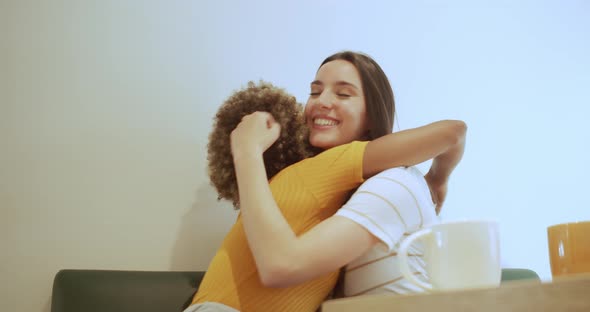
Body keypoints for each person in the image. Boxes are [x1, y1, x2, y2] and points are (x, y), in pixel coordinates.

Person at [187, 51, 466, 312]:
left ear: (371, 115)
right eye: (314, 91)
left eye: (343, 93)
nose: (321, 101)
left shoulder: (330, 189)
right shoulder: (326, 165)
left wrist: (436, 182)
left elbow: (455, 132)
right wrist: (438, 178)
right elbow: (453, 132)